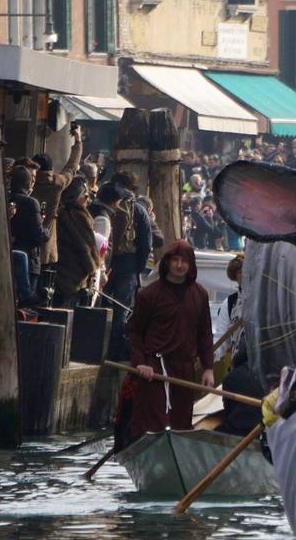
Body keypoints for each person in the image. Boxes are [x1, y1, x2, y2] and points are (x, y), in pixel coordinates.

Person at [124, 240, 214, 441]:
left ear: (190, 264)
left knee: (181, 423)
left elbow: (205, 334)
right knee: (152, 421)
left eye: (184, 261)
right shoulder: (149, 295)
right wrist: (140, 363)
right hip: (154, 368)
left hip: (184, 369)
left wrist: (208, 367)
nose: (179, 265)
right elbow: (135, 332)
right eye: (175, 260)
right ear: (167, 262)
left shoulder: (200, 295)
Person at [98, 180, 153, 364]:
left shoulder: (106, 205)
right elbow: (146, 243)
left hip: (107, 261)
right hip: (128, 264)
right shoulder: (139, 209)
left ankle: (96, 349)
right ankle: (114, 353)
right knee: (121, 309)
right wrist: (138, 268)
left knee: (100, 303)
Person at [30, 125, 83, 272]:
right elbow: (72, 166)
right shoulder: (57, 183)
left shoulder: (27, 183)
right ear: (51, 169)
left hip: (24, 246)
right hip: (46, 248)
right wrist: (78, 141)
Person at [54, 178, 100, 309]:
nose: (87, 199)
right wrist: (92, 268)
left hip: (60, 271)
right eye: (85, 195)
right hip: (73, 275)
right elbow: (86, 247)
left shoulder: (60, 212)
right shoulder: (79, 215)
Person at [9, 163, 49, 306]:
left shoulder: (5, 198)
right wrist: (47, 231)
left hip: (7, 256)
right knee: (26, 306)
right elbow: (39, 233)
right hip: (29, 257)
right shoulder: (31, 203)